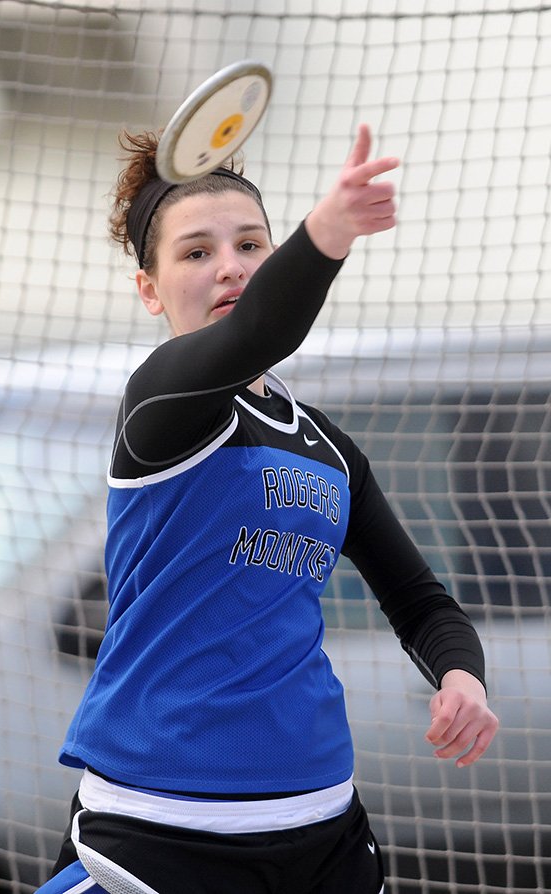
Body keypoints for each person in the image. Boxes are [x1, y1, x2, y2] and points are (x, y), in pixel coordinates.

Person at [39, 124, 498, 894]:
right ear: (149, 290)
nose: (231, 268)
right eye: (196, 252)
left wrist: (463, 678)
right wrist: (330, 230)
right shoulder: (162, 406)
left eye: (252, 245)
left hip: (324, 830)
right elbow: (263, 328)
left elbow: (421, 602)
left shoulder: (329, 447)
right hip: (158, 838)